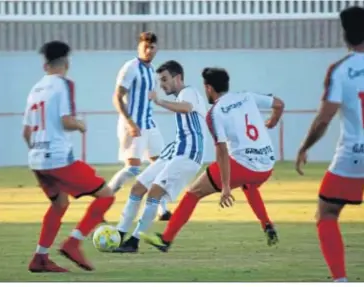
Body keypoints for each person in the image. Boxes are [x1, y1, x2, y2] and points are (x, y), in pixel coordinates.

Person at [295, 6, 364, 282]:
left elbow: (324, 119)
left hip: (352, 158)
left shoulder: (340, 70)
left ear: (344, 35)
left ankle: (340, 280)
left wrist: (304, 147)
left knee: (327, 213)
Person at [141, 67, 285, 252]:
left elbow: (222, 151)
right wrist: (273, 121)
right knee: (249, 185)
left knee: (193, 193)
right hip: (267, 165)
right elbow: (279, 104)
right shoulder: (247, 96)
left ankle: (166, 239)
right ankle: (267, 225)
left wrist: (225, 187)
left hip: (243, 165)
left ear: (208, 88)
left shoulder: (215, 113)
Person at [24, 41, 114, 272]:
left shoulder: (35, 89)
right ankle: (73, 243)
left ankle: (40, 258)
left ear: (45, 65)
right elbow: (66, 120)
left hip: (36, 159)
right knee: (106, 196)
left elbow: (26, 132)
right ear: (67, 62)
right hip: (58, 158)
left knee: (59, 204)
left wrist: (39, 154)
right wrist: (80, 125)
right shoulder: (64, 85)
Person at [112, 60, 206, 253]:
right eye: (159, 80)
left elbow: (187, 107)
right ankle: (120, 233)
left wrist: (159, 101)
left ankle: (134, 242)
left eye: (164, 79)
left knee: (154, 192)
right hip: (174, 151)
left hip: (188, 153)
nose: (161, 85)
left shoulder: (189, 92)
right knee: (138, 187)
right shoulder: (180, 96)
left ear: (177, 77)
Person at [107, 31, 172, 221]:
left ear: (157, 49)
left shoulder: (152, 71)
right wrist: (130, 122)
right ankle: (102, 202)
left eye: (152, 47)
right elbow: (117, 97)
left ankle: (162, 210)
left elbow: (149, 96)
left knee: (161, 165)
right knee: (133, 169)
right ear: (139, 47)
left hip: (150, 124)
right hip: (133, 124)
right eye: (145, 46)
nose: (149, 50)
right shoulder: (131, 68)